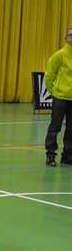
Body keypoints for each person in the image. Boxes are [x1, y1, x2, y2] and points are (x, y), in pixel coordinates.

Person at [44, 27, 72, 166]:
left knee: (71, 128)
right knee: (55, 127)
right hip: (60, 97)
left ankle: (67, 155)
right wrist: (54, 92)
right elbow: (49, 76)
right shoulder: (59, 55)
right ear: (66, 38)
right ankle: (50, 155)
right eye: (71, 35)